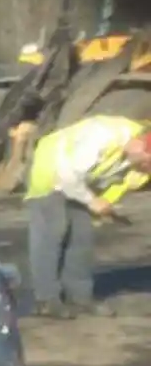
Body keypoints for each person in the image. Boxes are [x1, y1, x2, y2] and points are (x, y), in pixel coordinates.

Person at [24, 113, 151, 317]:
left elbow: (121, 185)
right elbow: (67, 178)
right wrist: (92, 202)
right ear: (139, 145)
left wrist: (105, 206)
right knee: (52, 231)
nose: (147, 168)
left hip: (82, 181)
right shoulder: (103, 134)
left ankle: (79, 297)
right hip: (52, 168)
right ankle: (46, 299)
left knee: (82, 237)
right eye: (147, 162)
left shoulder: (141, 163)